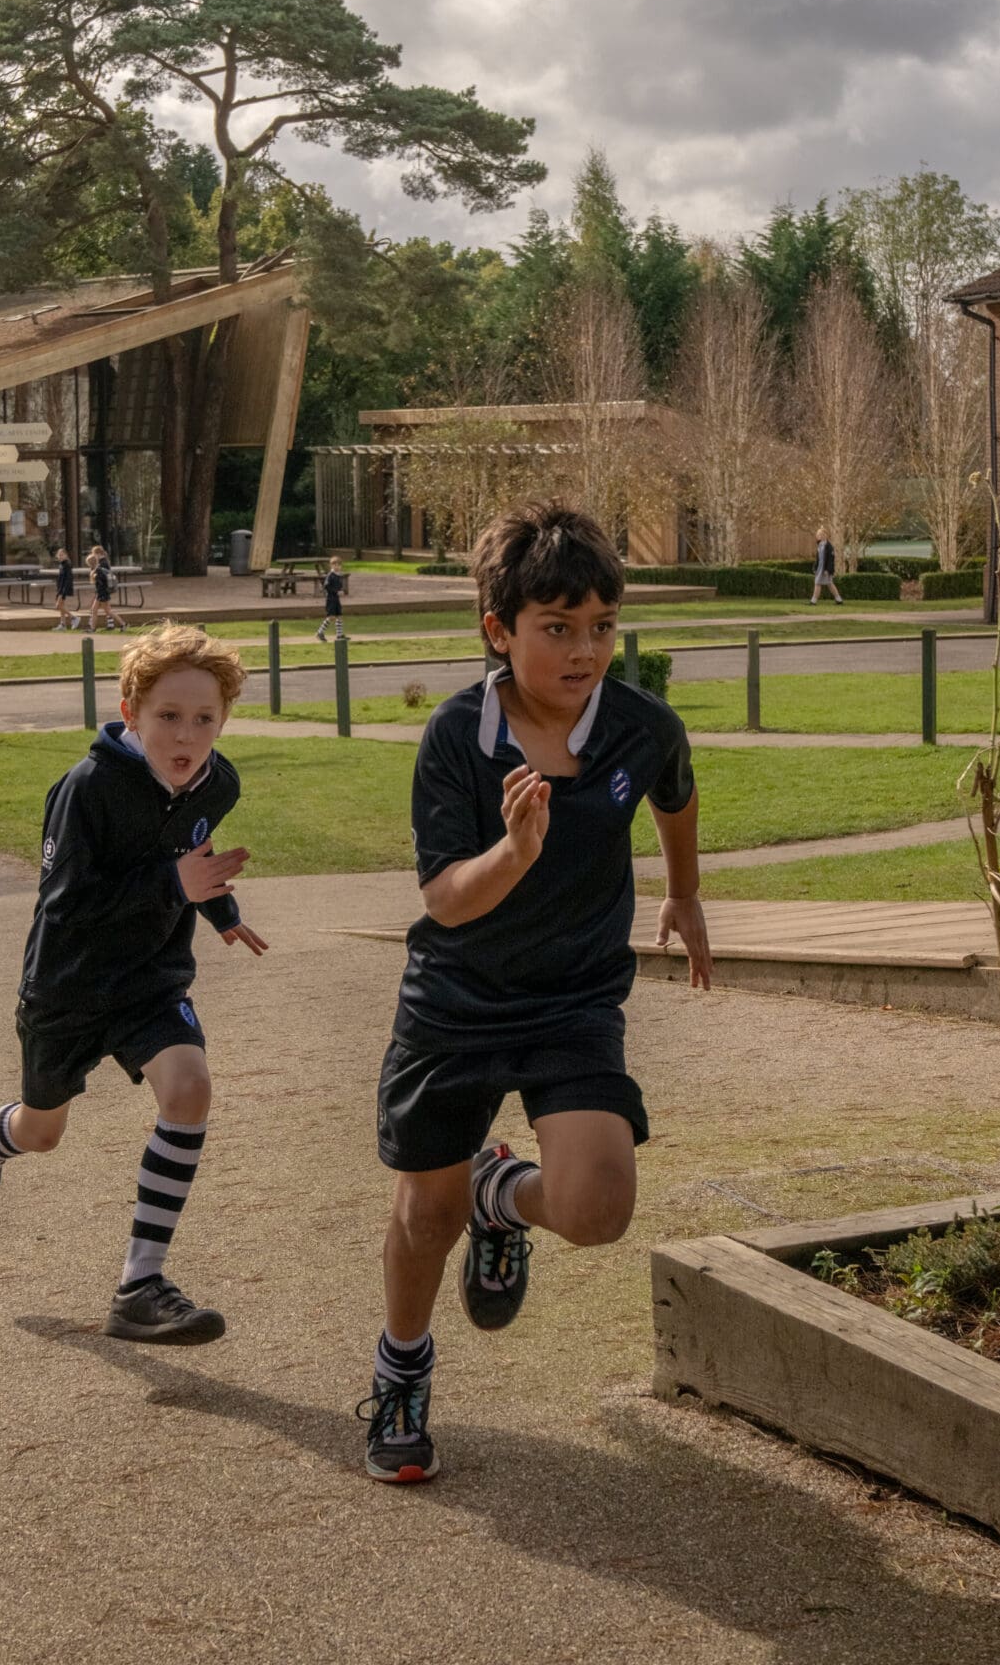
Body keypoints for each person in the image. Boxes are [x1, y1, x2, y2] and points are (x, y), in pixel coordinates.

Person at [358, 502, 712, 1482]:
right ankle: (399, 1369)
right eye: (555, 628)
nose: (584, 649)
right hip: (455, 1002)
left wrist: (682, 894)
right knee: (422, 1220)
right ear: (497, 631)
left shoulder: (640, 726)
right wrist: (516, 851)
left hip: (572, 1002)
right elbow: (444, 899)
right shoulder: (454, 740)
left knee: (597, 1207)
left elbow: (674, 792)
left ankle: (500, 1198)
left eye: (600, 626)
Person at [0, 623, 269, 1341]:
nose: (187, 736)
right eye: (168, 717)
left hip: (150, 980)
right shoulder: (86, 789)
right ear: (130, 709)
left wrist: (217, 907)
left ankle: (140, 1285)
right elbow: (68, 907)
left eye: (205, 719)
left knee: (190, 1089)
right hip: (68, 986)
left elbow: (192, 848)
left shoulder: (219, 781)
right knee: (42, 1131)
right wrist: (174, 884)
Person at [88, 546, 125, 633]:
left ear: (98, 554)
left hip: (102, 592)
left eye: (94, 554)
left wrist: (94, 575)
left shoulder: (101, 566)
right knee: (98, 610)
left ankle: (122, 623)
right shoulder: (101, 564)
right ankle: (93, 628)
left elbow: (102, 581)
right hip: (101, 592)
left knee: (107, 611)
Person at [314, 557, 346, 642]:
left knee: (339, 616)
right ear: (331, 565)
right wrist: (334, 590)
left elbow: (339, 586)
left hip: (336, 597)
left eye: (339, 565)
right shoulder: (330, 575)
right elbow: (326, 586)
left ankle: (339, 635)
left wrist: (339, 589)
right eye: (335, 564)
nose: (337, 566)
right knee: (331, 617)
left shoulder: (338, 575)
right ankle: (319, 632)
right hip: (331, 598)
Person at [811, 528, 844, 606]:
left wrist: (828, 570)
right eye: (818, 534)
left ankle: (813, 601)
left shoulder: (829, 546)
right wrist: (815, 567)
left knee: (819, 583)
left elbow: (831, 559)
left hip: (825, 569)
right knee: (828, 583)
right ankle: (838, 599)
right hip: (820, 568)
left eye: (822, 534)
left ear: (826, 535)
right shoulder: (820, 545)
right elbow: (818, 559)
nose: (820, 536)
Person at [52, 548, 77, 631]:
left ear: (66, 555)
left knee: (58, 605)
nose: (60, 556)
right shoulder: (61, 565)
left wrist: (63, 591)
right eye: (59, 555)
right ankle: (63, 624)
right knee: (61, 606)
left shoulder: (67, 565)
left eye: (62, 555)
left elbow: (68, 579)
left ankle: (73, 618)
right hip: (60, 588)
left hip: (63, 589)